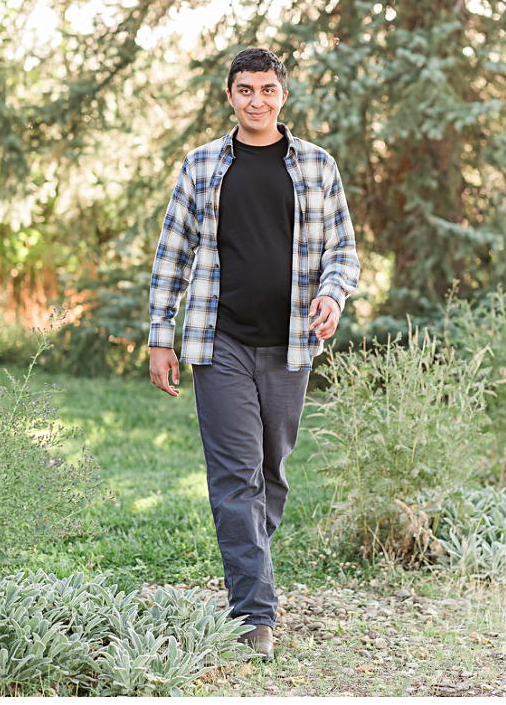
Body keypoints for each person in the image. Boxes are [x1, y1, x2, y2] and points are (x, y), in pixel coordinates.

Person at [147, 47, 359, 660]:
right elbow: (173, 254)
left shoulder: (318, 167)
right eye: (246, 90)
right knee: (236, 478)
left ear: (283, 96)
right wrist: (162, 336)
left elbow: (343, 251)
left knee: (271, 476)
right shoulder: (203, 165)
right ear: (231, 96)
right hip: (221, 341)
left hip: (291, 347)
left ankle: (250, 568)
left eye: (267, 89)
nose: (257, 100)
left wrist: (333, 295)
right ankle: (254, 614)